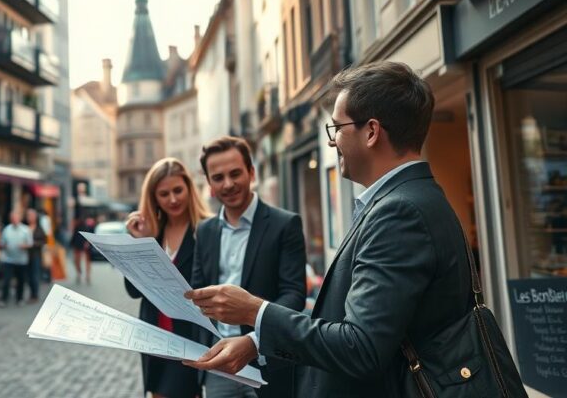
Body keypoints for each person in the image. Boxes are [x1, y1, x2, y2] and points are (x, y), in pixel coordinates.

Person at [184, 62, 474, 398]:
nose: (333, 141)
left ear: (371, 131)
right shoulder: (411, 198)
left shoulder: (399, 212)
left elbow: (360, 346)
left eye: (337, 127)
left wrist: (254, 311)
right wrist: (255, 340)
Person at [177, 137, 306, 398]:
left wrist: (255, 341)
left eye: (235, 173)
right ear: (210, 184)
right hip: (217, 364)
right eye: (218, 177)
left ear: (251, 172)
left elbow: (294, 295)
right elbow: (197, 294)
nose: (228, 184)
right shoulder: (205, 230)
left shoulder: (286, 224)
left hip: (268, 361)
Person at [124, 158, 212, 398]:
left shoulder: (206, 229)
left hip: (190, 338)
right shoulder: (153, 233)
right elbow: (133, 291)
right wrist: (140, 244)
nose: (172, 199)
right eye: (164, 194)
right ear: (153, 198)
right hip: (154, 337)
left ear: (189, 189)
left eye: (178, 190)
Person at [0, 209, 32, 307]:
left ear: (19, 218)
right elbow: (1, 243)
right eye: (12, 218)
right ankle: (3, 299)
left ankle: (19, 298)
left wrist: (24, 246)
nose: (14, 220)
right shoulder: (6, 229)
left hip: (21, 260)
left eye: (16, 218)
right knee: (6, 280)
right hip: (8, 259)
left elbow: (30, 244)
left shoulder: (26, 230)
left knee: (20, 280)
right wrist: (4, 246)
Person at [25, 209, 47, 303]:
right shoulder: (24, 227)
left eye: (32, 215)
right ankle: (31, 294)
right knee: (28, 276)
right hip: (25, 255)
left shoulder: (39, 228)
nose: (30, 217)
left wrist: (33, 244)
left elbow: (43, 241)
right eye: (28, 215)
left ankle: (35, 294)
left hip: (35, 255)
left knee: (35, 275)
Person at [70, 216, 94, 284]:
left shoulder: (86, 223)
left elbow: (90, 232)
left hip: (84, 243)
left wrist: (87, 242)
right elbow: (74, 235)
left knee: (86, 260)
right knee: (78, 260)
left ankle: (86, 275)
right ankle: (81, 273)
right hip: (79, 243)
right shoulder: (78, 225)